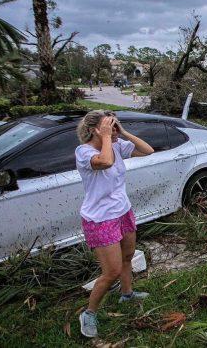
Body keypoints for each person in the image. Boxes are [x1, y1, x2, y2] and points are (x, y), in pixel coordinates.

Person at [75, 110, 154, 338]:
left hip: (122, 211)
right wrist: (108, 137)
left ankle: (127, 293)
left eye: (114, 124)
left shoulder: (117, 145)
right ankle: (89, 313)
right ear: (94, 130)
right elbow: (106, 162)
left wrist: (122, 132)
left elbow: (147, 150)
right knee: (111, 271)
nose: (113, 128)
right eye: (108, 125)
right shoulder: (84, 152)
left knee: (128, 257)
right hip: (100, 219)